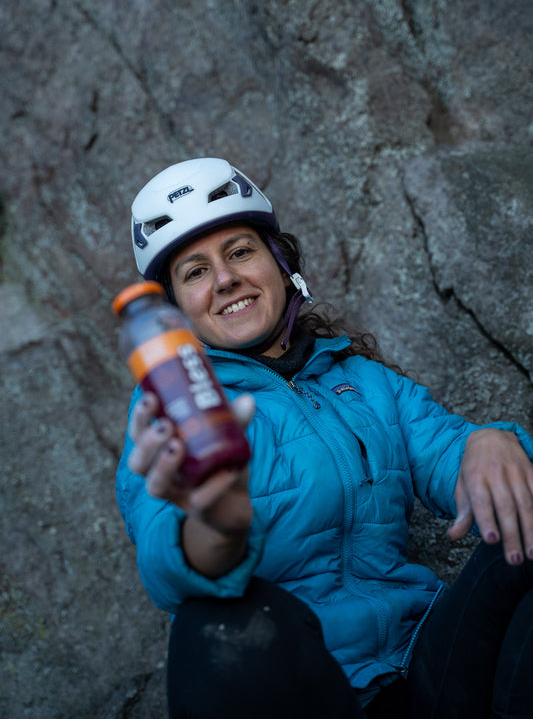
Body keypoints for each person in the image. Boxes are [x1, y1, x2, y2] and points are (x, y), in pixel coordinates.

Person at [116, 157, 533, 718]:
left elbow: (453, 458)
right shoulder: (170, 414)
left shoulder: (363, 382)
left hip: (432, 659)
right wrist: (215, 528)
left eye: (240, 251)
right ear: (175, 312)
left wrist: (492, 441)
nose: (224, 279)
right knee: (215, 626)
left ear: (281, 262)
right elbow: (167, 564)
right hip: (310, 690)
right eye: (194, 272)